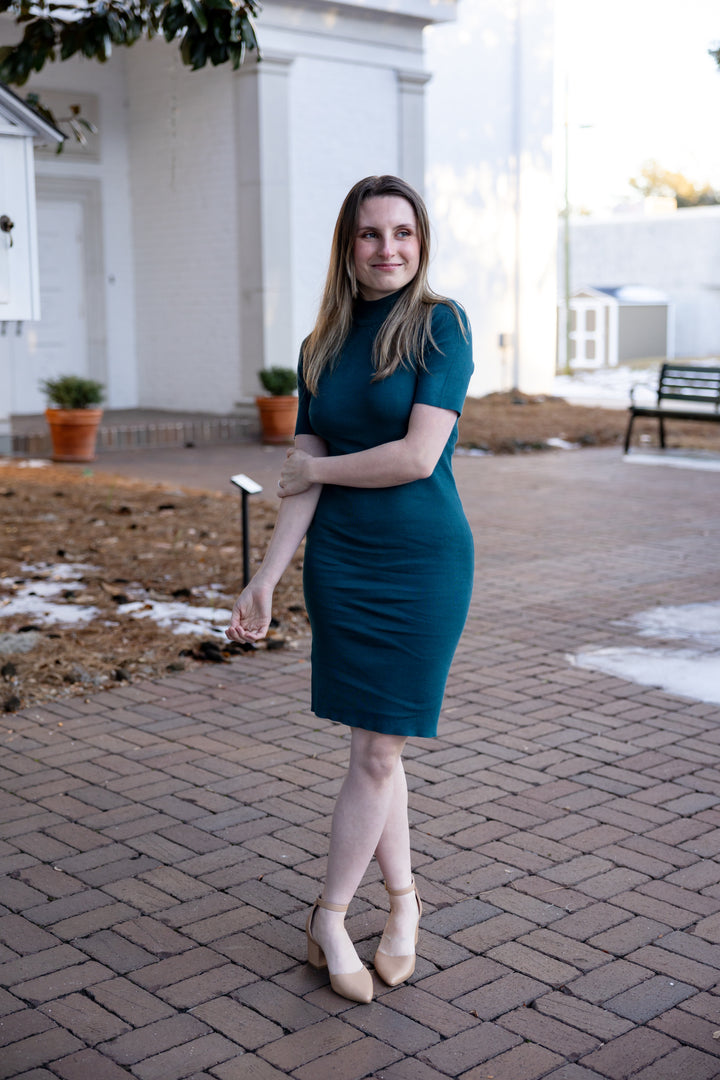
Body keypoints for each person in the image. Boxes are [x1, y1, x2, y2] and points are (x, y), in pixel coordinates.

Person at [226, 174, 474, 1004]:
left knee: (378, 747)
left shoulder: (441, 325)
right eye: (371, 235)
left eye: (403, 232)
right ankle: (402, 904)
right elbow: (303, 485)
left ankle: (330, 913)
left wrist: (317, 466)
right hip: (344, 566)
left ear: (421, 240)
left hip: (422, 563)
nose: (388, 249)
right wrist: (264, 580)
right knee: (378, 746)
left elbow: (414, 457)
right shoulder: (321, 345)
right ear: (348, 245)